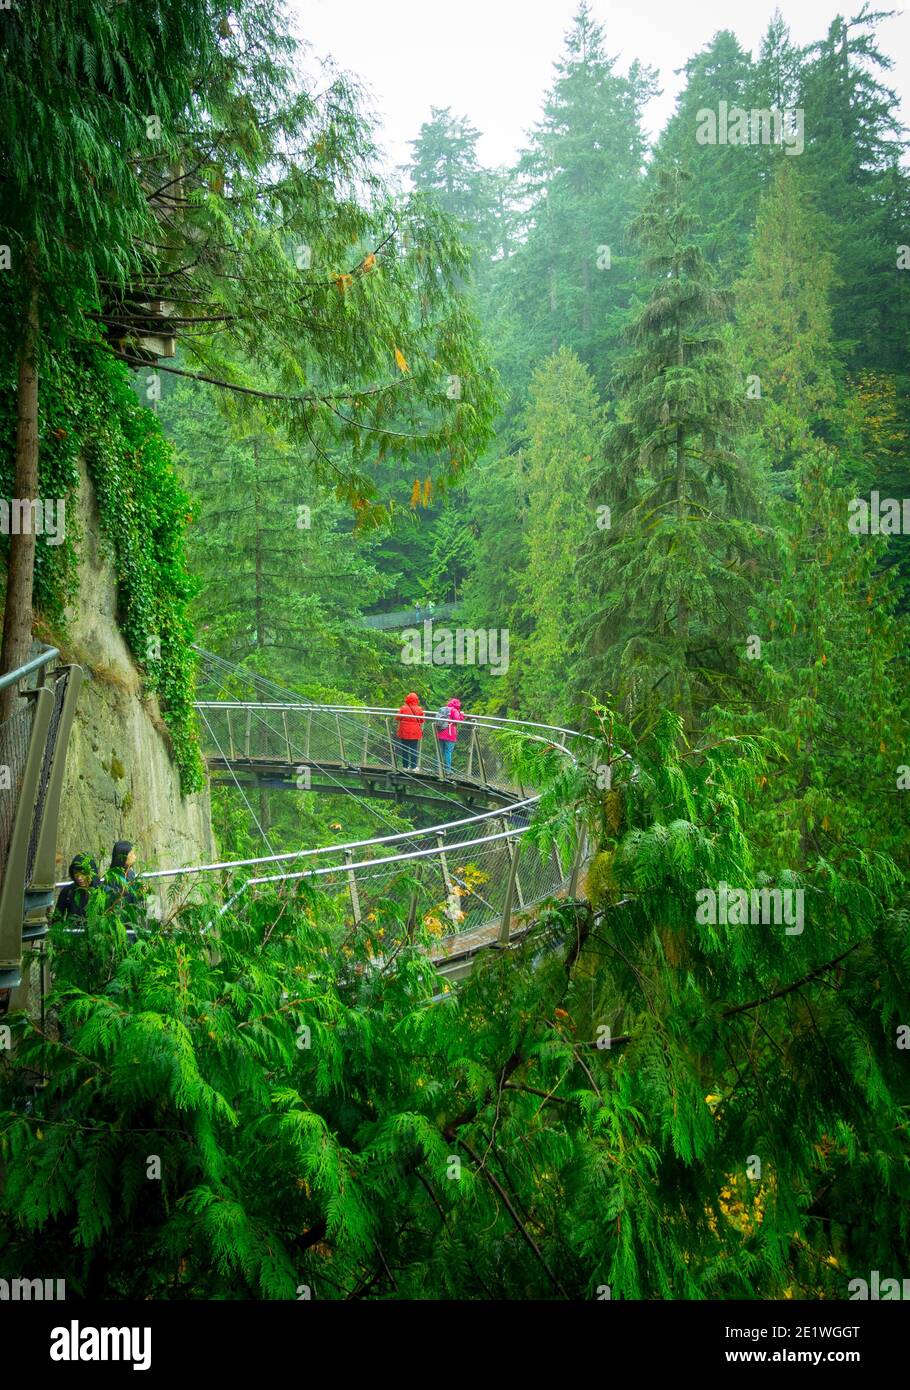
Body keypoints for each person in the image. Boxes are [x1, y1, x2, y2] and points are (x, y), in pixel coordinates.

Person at [53, 854, 101, 924]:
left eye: (83, 873)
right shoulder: (67, 891)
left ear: (91, 872)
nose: (79, 878)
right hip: (71, 932)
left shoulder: (100, 891)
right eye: (76, 873)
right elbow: (57, 917)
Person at [105, 840, 142, 909]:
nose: (135, 857)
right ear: (123, 857)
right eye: (132, 854)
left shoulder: (131, 873)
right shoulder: (112, 878)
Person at [395, 692, 424, 769]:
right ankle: (414, 767)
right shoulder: (419, 709)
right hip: (415, 732)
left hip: (404, 731)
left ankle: (405, 766)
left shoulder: (403, 708)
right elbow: (421, 720)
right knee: (414, 749)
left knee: (404, 749)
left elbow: (397, 718)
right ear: (416, 700)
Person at [435, 697, 464, 773]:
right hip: (450, 734)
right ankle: (448, 769)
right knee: (448, 752)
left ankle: (437, 768)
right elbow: (458, 720)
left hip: (440, 732)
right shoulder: (454, 710)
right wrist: (462, 715)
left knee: (439, 750)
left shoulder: (444, 709)